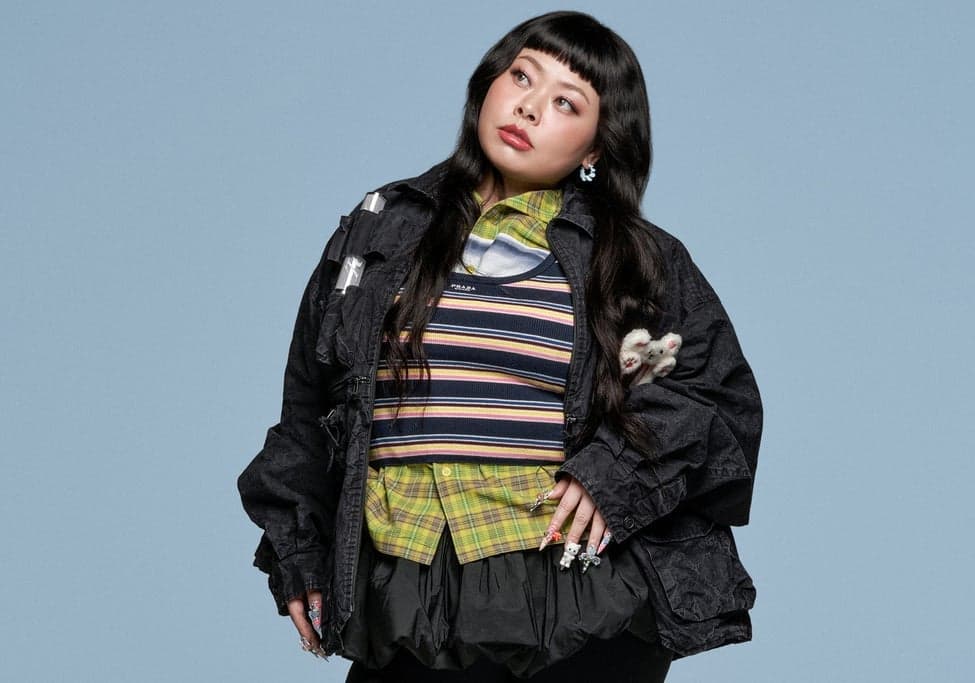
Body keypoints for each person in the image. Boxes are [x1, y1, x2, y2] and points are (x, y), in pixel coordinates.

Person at [238, 10, 762, 682]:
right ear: (488, 83)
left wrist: (614, 474)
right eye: (521, 76)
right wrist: (298, 549)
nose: (529, 107)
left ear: (595, 148)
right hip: (404, 586)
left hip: (573, 595)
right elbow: (308, 411)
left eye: (567, 103)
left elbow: (712, 394)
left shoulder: (635, 260)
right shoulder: (380, 231)